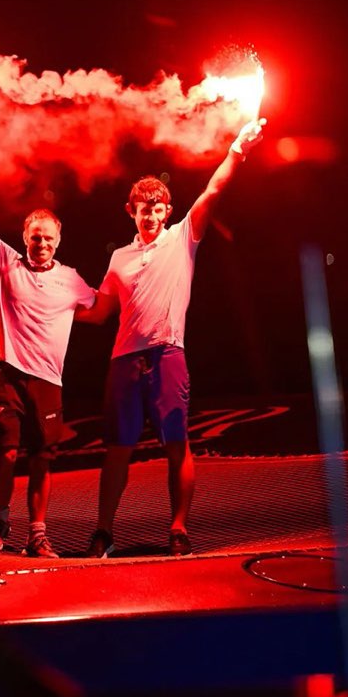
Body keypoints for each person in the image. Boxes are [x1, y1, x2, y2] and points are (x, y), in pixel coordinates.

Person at [78, 119, 266, 557]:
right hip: (124, 361)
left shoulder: (184, 237)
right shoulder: (118, 258)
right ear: (131, 211)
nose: (149, 212)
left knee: (177, 444)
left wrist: (237, 149)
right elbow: (100, 311)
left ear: (166, 210)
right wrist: (48, 301)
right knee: (117, 450)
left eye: (156, 205)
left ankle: (178, 529)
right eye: (141, 206)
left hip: (167, 356)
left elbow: (214, 190)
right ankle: (103, 532)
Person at [0, 140, 97, 558]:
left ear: (58, 241)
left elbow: (101, 310)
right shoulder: (6, 262)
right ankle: (1, 518)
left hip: (48, 382)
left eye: (47, 237)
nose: (40, 242)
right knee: (5, 454)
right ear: (24, 238)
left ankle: (37, 535)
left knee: (43, 457)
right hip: (6, 375)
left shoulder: (73, 280)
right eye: (34, 236)